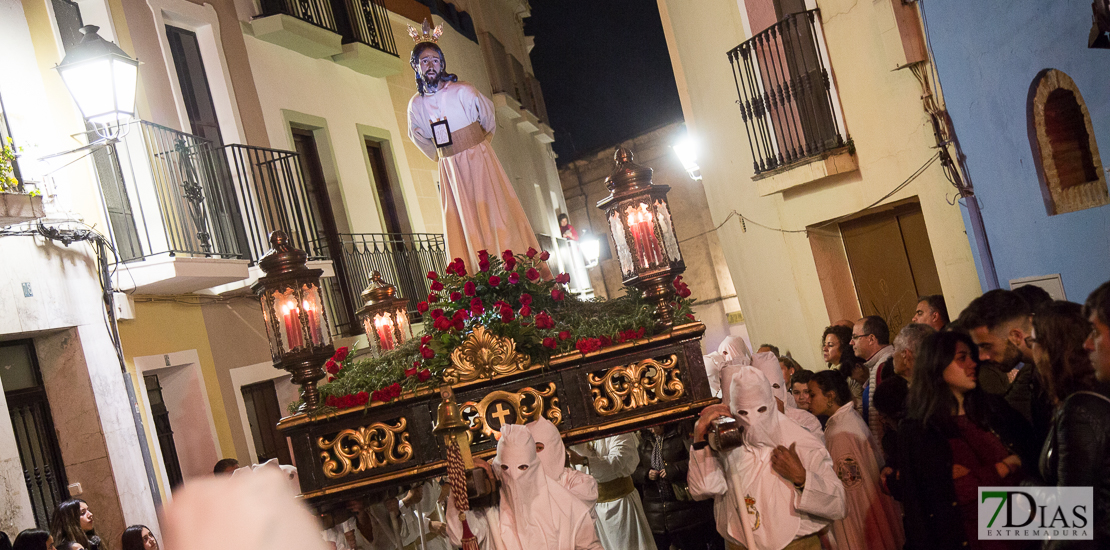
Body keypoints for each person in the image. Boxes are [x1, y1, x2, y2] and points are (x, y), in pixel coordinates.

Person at [405, 21, 544, 273]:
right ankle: (478, 277)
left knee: (494, 213)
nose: (430, 65)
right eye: (424, 61)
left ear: (442, 63)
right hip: (450, 169)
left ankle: (510, 270)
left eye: (435, 60)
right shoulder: (416, 105)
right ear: (416, 66)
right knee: (463, 223)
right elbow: (417, 137)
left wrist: (475, 145)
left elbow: (488, 119)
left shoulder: (463, 91)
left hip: (478, 159)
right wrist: (443, 156)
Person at [896, 331, 1030, 550]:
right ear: (937, 365)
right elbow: (941, 501)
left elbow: (1027, 468)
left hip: (1022, 535)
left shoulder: (993, 411)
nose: (972, 364)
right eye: (961, 358)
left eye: (972, 356)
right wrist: (1003, 468)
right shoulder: (920, 432)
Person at [689, 366, 846, 550]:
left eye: (760, 410)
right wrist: (700, 437)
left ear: (771, 404)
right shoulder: (728, 442)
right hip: (740, 544)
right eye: (743, 412)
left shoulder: (800, 441)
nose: (753, 422)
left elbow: (838, 504)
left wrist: (803, 478)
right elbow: (703, 489)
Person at [447, 424, 603, 550]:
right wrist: (460, 486)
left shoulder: (568, 507)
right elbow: (459, 536)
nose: (514, 477)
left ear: (535, 467)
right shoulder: (489, 511)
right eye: (505, 468)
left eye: (523, 468)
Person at [1037, 295, 1110, 548]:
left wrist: (997, 509)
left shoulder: (1079, 409)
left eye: (1034, 341)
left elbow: (1075, 514)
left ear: (1052, 349)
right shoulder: (1089, 395)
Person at [806, 370, 904, 550]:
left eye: (812, 394)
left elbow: (852, 490)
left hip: (859, 514)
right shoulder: (847, 419)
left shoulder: (840, 433)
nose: (807, 400)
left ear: (830, 396)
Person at [960, 289, 1053, 447]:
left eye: (987, 346)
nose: (982, 357)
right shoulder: (1036, 373)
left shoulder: (1062, 372)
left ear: (1016, 336)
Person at [633, 422, 722, 550]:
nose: (651, 430)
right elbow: (632, 470)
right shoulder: (644, 441)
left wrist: (673, 470)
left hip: (684, 509)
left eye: (654, 426)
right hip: (655, 511)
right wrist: (645, 473)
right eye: (649, 427)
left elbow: (695, 459)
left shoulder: (680, 434)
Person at [569, 434, 657, 550]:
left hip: (620, 506)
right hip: (592, 510)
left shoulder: (618, 430)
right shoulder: (577, 433)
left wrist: (583, 460)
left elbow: (616, 462)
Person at [751, 351, 824, 442]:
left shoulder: (805, 418)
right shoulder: (751, 423)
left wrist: (782, 420)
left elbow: (816, 450)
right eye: (765, 389)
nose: (772, 395)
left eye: (775, 387)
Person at [526, 417, 598, 508]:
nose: (534, 455)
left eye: (538, 448)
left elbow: (572, 511)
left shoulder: (581, 482)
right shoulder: (521, 486)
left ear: (554, 448)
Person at [852, 316, 894, 441]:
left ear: (871, 339)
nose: (851, 342)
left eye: (855, 337)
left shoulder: (885, 365)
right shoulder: (878, 364)